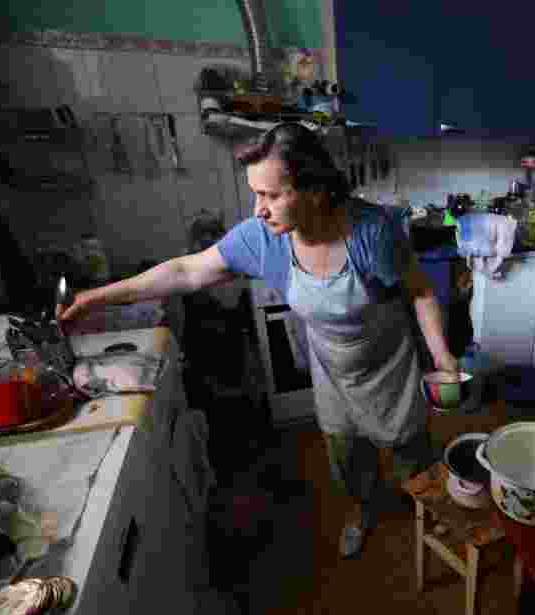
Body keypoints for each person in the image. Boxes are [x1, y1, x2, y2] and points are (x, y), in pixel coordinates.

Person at [58, 123, 458, 557]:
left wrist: (442, 355)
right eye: (255, 193)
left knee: (410, 454)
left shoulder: (371, 233)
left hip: (389, 367)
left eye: (271, 195)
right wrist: (95, 298)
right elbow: (184, 271)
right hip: (332, 368)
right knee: (346, 453)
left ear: (316, 191)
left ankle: (430, 511)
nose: (258, 210)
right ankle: (361, 509)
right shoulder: (263, 239)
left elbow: (419, 291)